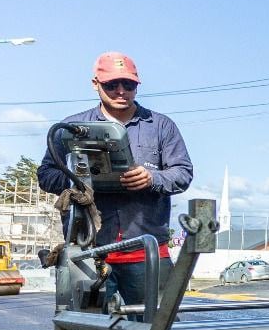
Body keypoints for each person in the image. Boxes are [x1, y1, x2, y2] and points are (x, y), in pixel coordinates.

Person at [38, 52, 193, 304]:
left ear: (137, 84)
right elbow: (46, 175)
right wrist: (79, 181)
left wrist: (151, 178)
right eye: (111, 85)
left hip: (146, 251)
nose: (121, 91)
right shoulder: (70, 128)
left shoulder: (161, 126)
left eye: (129, 85)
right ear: (95, 84)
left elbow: (183, 173)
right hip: (88, 251)